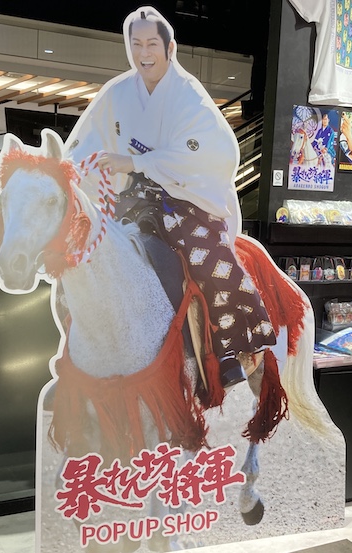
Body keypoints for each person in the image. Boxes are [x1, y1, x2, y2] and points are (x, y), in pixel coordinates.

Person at [64, 6, 276, 387]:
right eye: (137, 44)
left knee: (205, 259)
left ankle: (227, 349)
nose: (144, 53)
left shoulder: (188, 95)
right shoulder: (117, 93)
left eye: (152, 44)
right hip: (131, 201)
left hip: (185, 201)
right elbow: (83, 144)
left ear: (170, 48)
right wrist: (69, 174)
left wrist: (137, 161)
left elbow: (218, 151)